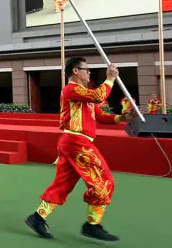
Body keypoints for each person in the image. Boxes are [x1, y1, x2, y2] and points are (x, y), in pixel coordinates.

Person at [25, 58, 133, 242]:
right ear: (75, 71)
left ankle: (37, 217)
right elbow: (99, 96)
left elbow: (101, 116)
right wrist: (110, 79)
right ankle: (92, 224)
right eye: (86, 69)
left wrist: (121, 117)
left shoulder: (84, 95)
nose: (89, 73)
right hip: (77, 141)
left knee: (62, 185)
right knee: (104, 179)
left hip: (71, 142)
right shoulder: (71, 89)